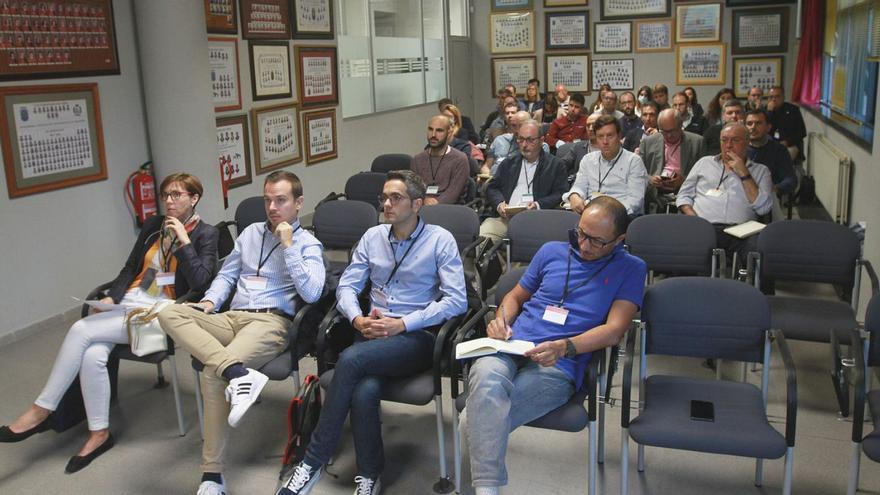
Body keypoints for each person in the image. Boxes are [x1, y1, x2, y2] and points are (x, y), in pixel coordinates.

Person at [0, 173, 218, 473]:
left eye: (178, 195)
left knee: (80, 329)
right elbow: (130, 268)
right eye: (166, 194)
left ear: (194, 199)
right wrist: (113, 299)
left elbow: (201, 282)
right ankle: (99, 434)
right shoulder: (154, 226)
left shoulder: (206, 234)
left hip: (164, 317)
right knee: (93, 354)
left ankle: (42, 410)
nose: (169, 200)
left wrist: (183, 240)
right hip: (131, 303)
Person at [277, 170, 468, 495]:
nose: (387, 204)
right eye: (384, 197)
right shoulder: (373, 236)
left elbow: (457, 300)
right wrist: (355, 319)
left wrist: (404, 323)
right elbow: (348, 285)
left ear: (417, 204)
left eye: (396, 198)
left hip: (415, 336)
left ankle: (310, 462)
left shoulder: (440, 240)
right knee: (364, 391)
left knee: (349, 362)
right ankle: (369, 475)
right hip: (371, 330)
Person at [464, 196, 646, 495]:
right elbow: (515, 297)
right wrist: (501, 320)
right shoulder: (551, 251)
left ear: (619, 240)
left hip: (560, 362)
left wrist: (566, 346)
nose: (584, 245)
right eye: (581, 234)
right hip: (512, 343)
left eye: (596, 241)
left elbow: (614, 331)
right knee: (485, 378)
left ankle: (480, 490)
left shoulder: (632, 268)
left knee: (471, 420)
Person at [158, 171, 325, 495]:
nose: (273, 207)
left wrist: (289, 246)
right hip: (231, 315)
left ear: (298, 202)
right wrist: (208, 302)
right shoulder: (249, 234)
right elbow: (227, 275)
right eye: (268, 200)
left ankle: (212, 476)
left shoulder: (308, 243)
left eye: (281, 200)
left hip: (270, 323)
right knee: (170, 312)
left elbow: (314, 293)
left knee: (211, 373)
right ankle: (237, 372)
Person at [676, 122, 773, 263]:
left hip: (742, 231)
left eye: (735, 140)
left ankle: (754, 285)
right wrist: (695, 220)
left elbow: (763, 208)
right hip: (705, 227)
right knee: (684, 246)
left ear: (747, 143)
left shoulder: (761, 171)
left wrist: (744, 173)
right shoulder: (704, 163)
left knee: (760, 253)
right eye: (724, 140)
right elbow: (683, 196)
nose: (728, 145)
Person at [481, 120, 570, 244]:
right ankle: (501, 263)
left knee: (524, 247)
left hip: (537, 219)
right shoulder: (509, 162)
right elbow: (492, 187)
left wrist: (538, 204)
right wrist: (499, 203)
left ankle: (512, 262)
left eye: (530, 140)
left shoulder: (555, 164)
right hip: (506, 217)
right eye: (520, 139)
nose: (524, 145)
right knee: (481, 241)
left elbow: (561, 192)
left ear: (541, 140)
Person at [563, 115, 648, 217]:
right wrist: (574, 195)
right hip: (589, 214)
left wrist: (606, 213)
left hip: (621, 217)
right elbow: (579, 187)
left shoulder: (633, 162)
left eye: (610, 136)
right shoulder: (587, 160)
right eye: (600, 136)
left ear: (619, 136)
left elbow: (634, 202)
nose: (605, 142)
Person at [640, 109, 704, 212]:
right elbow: (638, 173)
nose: (669, 135)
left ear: (680, 126)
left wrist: (684, 181)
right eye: (664, 132)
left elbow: (704, 175)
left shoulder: (697, 142)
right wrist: (650, 179)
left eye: (672, 131)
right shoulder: (648, 143)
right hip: (656, 195)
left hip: (685, 195)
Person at [411, 115, 470, 204]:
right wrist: (424, 201)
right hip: (422, 208)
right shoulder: (417, 160)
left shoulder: (460, 159)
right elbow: (414, 191)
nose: (433, 135)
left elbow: (453, 194)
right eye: (430, 129)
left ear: (449, 133)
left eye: (439, 130)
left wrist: (435, 203)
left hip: (450, 210)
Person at [745, 108, 798, 196]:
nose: (753, 127)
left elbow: (790, 179)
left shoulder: (778, 150)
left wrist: (775, 189)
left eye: (758, 123)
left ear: (768, 127)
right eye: (749, 124)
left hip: (768, 194)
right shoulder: (738, 148)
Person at [483, 110, 550, 176]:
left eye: (521, 125)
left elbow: (539, 174)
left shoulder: (540, 146)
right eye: (514, 125)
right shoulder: (499, 140)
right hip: (494, 181)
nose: (517, 130)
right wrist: (486, 175)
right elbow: (487, 166)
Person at [766, 85, 807, 161]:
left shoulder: (793, 110)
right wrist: (769, 113)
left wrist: (787, 142)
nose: (774, 100)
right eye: (771, 97)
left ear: (783, 97)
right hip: (771, 145)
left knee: (784, 157)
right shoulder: (765, 112)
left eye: (777, 96)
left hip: (789, 145)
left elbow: (802, 132)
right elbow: (765, 130)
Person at [440, 103, 482, 174]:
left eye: (449, 117)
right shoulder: (437, 134)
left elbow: (462, 157)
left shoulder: (461, 133)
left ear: (455, 120)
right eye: (444, 116)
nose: (446, 119)